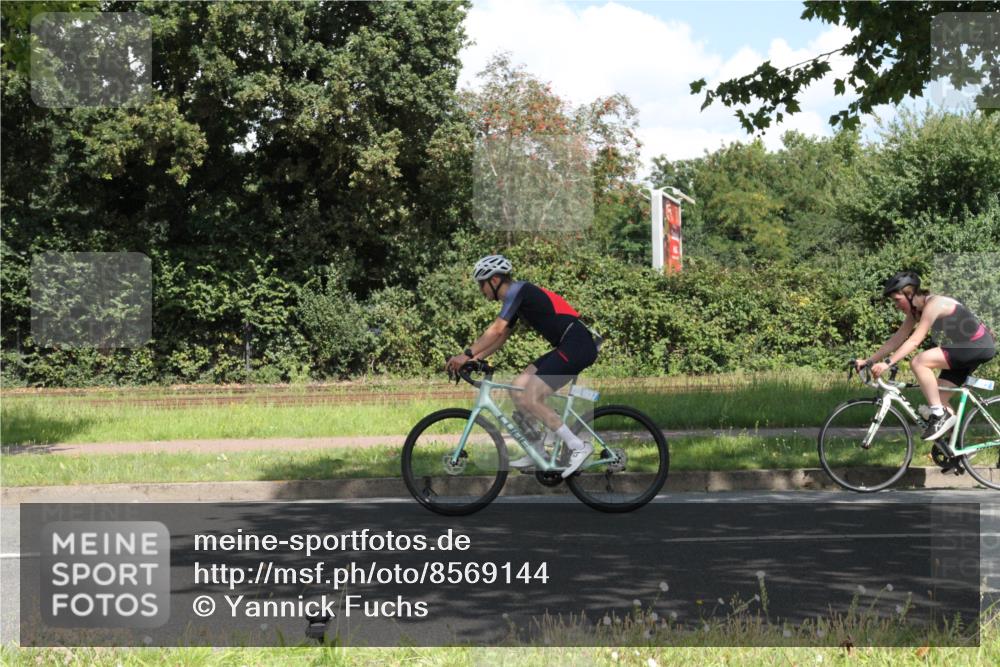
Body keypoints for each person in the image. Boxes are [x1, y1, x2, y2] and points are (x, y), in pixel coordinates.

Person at [445, 254, 600, 477]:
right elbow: (501, 337)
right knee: (519, 387)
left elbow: (496, 330)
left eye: (482, 284)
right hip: (568, 345)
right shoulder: (517, 298)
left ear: (495, 280)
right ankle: (538, 450)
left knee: (531, 397)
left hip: (577, 344)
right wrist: (473, 360)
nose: (482, 290)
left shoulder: (519, 291)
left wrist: (465, 354)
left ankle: (578, 446)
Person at [858, 271, 996, 442]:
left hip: (977, 345)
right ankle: (958, 450)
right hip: (968, 348)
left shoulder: (934, 304)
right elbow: (897, 339)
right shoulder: (915, 312)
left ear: (909, 294)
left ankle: (938, 415)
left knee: (919, 361)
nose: (895, 305)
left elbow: (915, 341)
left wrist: (887, 363)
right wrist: (870, 360)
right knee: (939, 397)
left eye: (897, 300)